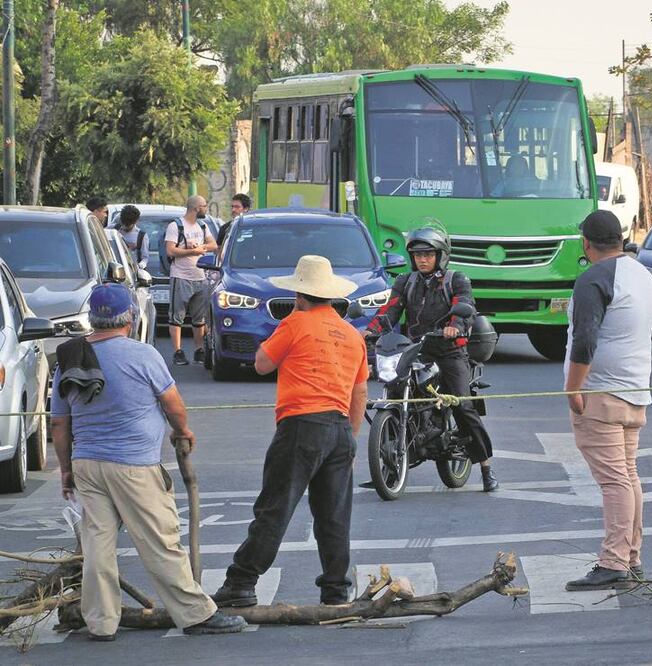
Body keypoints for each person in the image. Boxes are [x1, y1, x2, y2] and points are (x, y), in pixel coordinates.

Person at [51, 283, 246, 639]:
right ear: (131, 316)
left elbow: (60, 424)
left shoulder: (69, 358)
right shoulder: (142, 355)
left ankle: (100, 621)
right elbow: (172, 403)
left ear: (92, 319)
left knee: (97, 544)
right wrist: (182, 431)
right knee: (160, 540)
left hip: (87, 465)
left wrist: (66, 470)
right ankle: (195, 615)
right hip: (133, 465)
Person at [213, 255, 368, 607]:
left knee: (275, 507)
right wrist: (351, 438)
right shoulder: (350, 333)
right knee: (333, 516)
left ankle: (241, 582)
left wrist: (282, 331)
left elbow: (262, 363)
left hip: (301, 424)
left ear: (300, 293)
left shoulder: (296, 323)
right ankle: (335, 588)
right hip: (340, 427)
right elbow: (360, 391)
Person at [562, 210, 652, 591]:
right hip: (636, 390)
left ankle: (614, 560)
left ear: (586, 243)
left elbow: (585, 339)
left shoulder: (593, 278)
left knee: (614, 480)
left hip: (601, 392)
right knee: (628, 475)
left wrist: (573, 389)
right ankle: (631, 556)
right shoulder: (643, 274)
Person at [365, 225, 499, 492]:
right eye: (417, 255)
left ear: (440, 255)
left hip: (449, 350)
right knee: (394, 388)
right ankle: (389, 466)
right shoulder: (406, 281)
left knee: (462, 405)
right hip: (414, 348)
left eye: (428, 254)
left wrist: (455, 326)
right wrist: (371, 331)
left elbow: (465, 307)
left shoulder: (456, 279)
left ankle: (486, 467)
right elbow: (390, 311)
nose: (422, 259)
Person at [164, 195, 217, 366]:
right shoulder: (175, 226)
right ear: (196, 208)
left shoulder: (202, 225)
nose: (206, 208)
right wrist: (190, 251)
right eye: (204, 206)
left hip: (200, 276)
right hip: (181, 276)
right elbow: (170, 251)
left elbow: (213, 245)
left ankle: (199, 349)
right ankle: (177, 351)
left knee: (199, 317)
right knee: (176, 316)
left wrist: (202, 248)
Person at [110, 204, 150, 270]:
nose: (125, 227)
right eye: (124, 224)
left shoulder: (141, 236)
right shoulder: (112, 230)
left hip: (132, 271)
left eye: (129, 225)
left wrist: (139, 266)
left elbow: (145, 258)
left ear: (136, 221)